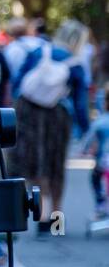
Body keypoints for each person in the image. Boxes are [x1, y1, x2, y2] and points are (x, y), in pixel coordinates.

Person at [11, 20, 91, 231]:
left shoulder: (40, 50)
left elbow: (18, 81)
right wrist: (85, 130)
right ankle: (57, 220)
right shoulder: (75, 64)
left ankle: (41, 214)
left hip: (27, 112)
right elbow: (80, 102)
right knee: (56, 168)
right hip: (57, 115)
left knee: (37, 165)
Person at [78, 87, 109, 219]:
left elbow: (88, 140)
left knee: (95, 178)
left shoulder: (100, 121)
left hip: (105, 162)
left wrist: (83, 151)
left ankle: (100, 202)